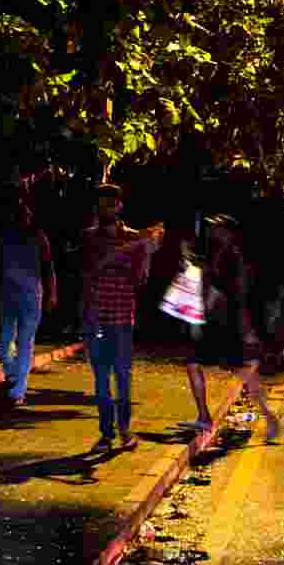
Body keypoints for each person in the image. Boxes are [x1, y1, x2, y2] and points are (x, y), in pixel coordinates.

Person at [179, 214, 280, 442]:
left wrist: (242, 328)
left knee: (244, 374)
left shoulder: (233, 258)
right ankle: (204, 417)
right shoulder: (219, 254)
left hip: (227, 326)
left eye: (218, 228)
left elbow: (231, 293)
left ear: (228, 233)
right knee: (195, 364)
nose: (213, 231)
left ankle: (269, 417)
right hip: (220, 323)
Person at [81, 184, 160, 454]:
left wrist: (147, 252)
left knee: (123, 377)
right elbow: (89, 272)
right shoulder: (89, 238)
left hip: (123, 318)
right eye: (102, 204)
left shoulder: (134, 238)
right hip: (96, 319)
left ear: (119, 206)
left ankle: (124, 430)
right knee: (101, 379)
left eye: (111, 204)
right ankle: (106, 433)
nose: (106, 209)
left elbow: (140, 279)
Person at [0, 195, 57, 405]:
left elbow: (48, 267)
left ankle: (18, 390)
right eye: (19, 214)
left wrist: (52, 293)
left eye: (26, 213)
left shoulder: (39, 237)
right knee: (5, 341)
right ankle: (13, 376)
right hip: (9, 294)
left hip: (32, 294)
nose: (23, 217)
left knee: (25, 341)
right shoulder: (4, 237)